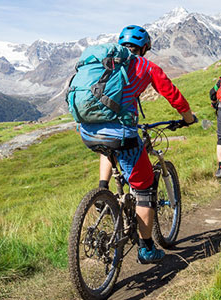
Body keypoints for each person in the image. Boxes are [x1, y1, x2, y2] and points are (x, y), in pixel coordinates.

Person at [79, 25, 196, 264]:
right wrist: (188, 118)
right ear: (144, 48)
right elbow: (172, 94)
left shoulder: (104, 61)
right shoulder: (145, 66)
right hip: (122, 133)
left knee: (107, 147)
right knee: (145, 188)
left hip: (88, 131)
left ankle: (103, 191)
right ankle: (146, 248)